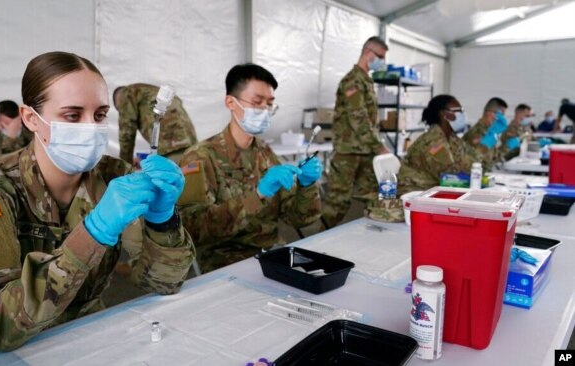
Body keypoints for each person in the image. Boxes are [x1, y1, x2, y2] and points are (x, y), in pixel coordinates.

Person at [0, 52, 194, 364]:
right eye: (72, 115)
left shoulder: (113, 176)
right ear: (30, 119)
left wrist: (162, 221)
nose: (91, 127)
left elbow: (165, 281)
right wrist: (93, 234)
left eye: (100, 115)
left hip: (79, 336)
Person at [178, 63, 322, 274]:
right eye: (257, 102)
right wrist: (257, 195)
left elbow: (297, 219)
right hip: (226, 261)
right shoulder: (200, 157)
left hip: (272, 253)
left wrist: (307, 186)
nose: (264, 110)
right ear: (231, 102)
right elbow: (193, 228)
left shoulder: (265, 154)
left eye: (269, 103)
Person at [322, 36, 389, 228]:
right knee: (338, 202)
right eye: (380, 57)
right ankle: (319, 242)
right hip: (348, 153)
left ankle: (369, 236)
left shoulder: (366, 81)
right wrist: (379, 146)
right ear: (369, 53)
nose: (382, 62)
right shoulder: (352, 81)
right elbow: (358, 119)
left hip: (365, 152)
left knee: (372, 195)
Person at [399, 95, 483, 195]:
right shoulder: (433, 142)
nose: (462, 115)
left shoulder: (451, 138)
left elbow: (475, 160)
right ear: (444, 114)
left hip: (433, 190)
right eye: (458, 111)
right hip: (416, 194)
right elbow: (451, 176)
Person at [113, 83, 198, 165]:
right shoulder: (149, 91)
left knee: (173, 176)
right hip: (190, 140)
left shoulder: (126, 94)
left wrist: (125, 164)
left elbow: (126, 132)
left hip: (170, 143)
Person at [462, 97, 508, 170]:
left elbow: (492, 157)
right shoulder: (477, 132)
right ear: (489, 113)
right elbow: (471, 162)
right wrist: (484, 145)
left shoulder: (490, 131)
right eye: (500, 114)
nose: (502, 118)